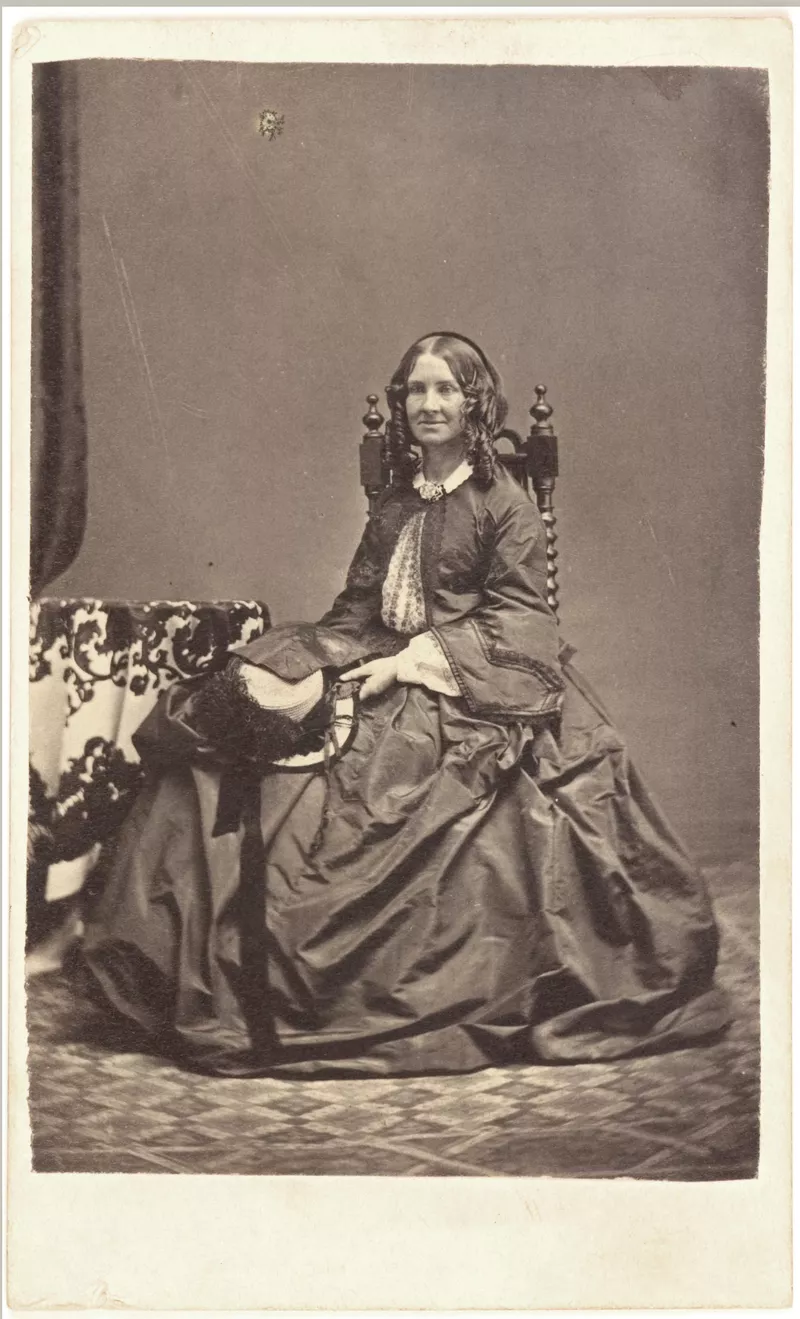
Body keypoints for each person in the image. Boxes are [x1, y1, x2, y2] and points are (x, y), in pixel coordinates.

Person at [79, 333, 732, 1078]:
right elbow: (357, 607)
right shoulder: (395, 501)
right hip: (378, 660)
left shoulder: (505, 504)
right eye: (417, 390)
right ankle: (177, 961)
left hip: (467, 688)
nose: (429, 404)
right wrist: (314, 665)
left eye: (446, 389)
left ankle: (312, 987)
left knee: (381, 812)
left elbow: (523, 624)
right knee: (235, 722)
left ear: (475, 403)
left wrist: (408, 664)